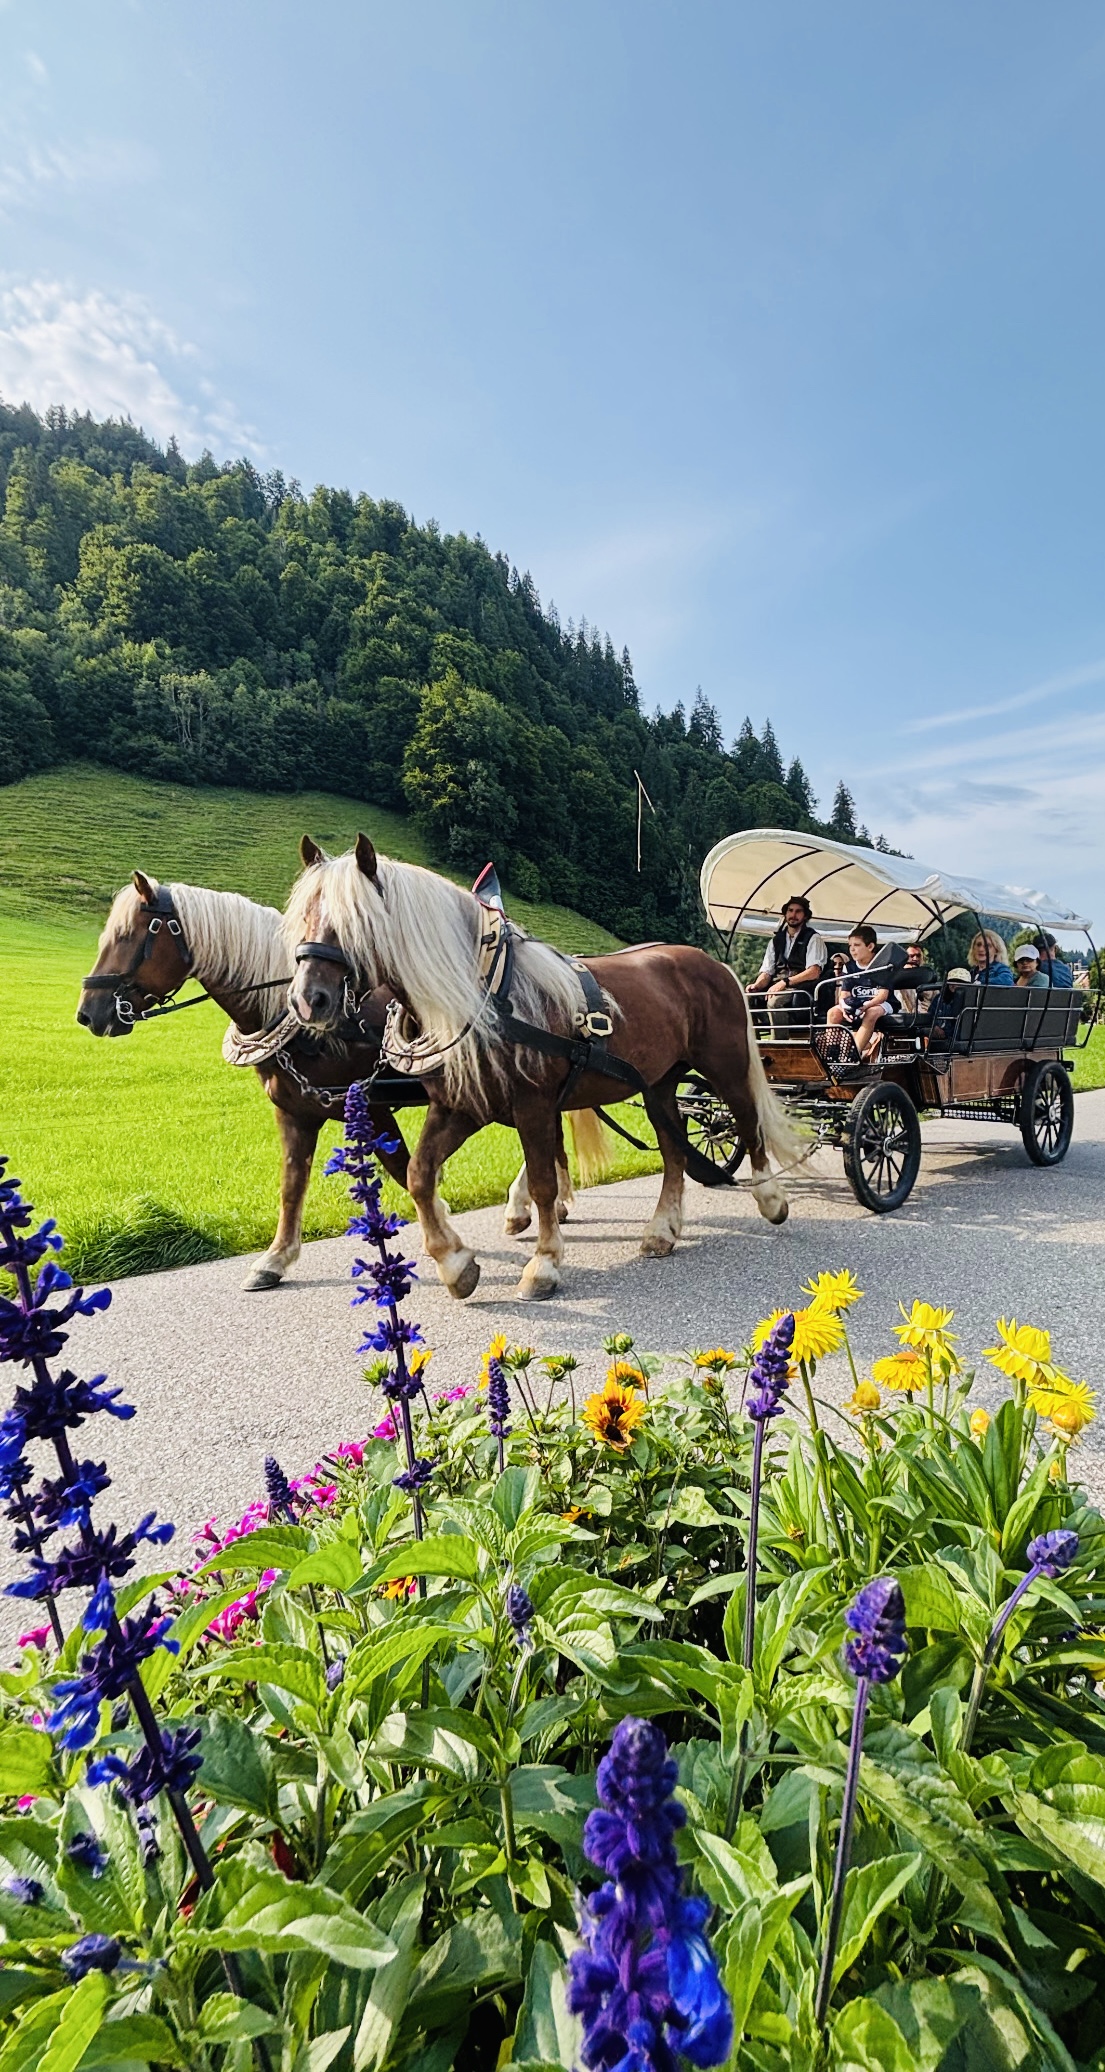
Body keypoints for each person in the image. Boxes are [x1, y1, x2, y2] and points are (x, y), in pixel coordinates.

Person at [747, 896, 828, 1032]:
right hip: (779, 984)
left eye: (798, 911)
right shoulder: (776, 940)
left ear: (805, 916)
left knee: (774, 1002)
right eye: (790, 911)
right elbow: (767, 972)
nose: (793, 915)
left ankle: (780, 1046)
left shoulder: (813, 938)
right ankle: (756, 1045)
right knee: (747, 998)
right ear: (785, 914)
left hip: (800, 986)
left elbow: (814, 972)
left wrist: (785, 982)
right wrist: (757, 985)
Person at [826, 925, 895, 1057]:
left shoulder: (883, 966)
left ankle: (854, 1053)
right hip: (858, 1003)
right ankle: (832, 1053)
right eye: (850, 945)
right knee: (833, 1012)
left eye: (857, 945)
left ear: (870, 946)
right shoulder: (849, 967)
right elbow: (844, 994)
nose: (852, 949)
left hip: (882, 1003)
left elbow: (882, 996)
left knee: (871, 1013)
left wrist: (865, 1006)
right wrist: (845, 1007)